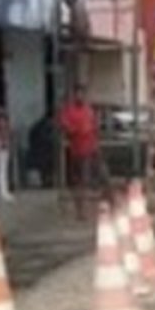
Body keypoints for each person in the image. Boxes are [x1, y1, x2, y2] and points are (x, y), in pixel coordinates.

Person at [58, 85, 106, 220]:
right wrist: (79, 130)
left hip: (92, 148)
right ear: (74, 95)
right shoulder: (68, 111)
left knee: (103, 176)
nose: (80, 97)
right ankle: (81, 211)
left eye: (82, 94)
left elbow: (95, 127)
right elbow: (66, 128)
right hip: (78, 151)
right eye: (78, 94)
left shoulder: (89, 110)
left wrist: (93, 132)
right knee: (80, 182)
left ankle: (108, 205)